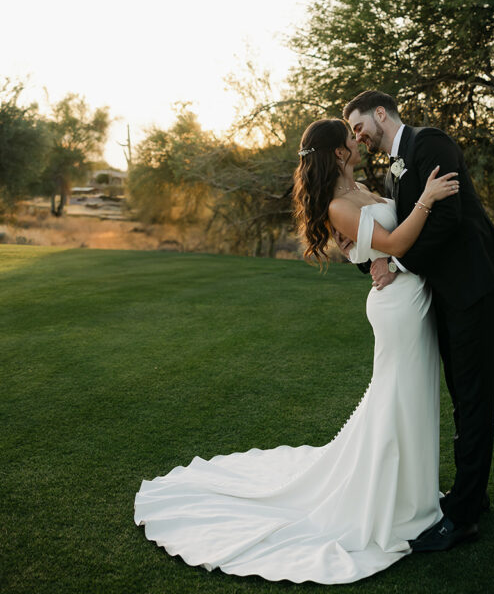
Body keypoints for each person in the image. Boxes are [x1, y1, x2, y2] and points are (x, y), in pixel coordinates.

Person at [134, 117, 459, 584]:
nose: (359, 141)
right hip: (396, 308)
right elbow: (395, 240)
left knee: (411, 396)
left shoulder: (361, 188)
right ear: (340, 153)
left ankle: (413, 493)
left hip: (410, 295)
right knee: (398, 397)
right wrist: (425, 200)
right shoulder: (338, 206)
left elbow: (384, 242)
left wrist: (381, 251)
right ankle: (397, 502)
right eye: (351, 137)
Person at [344, 91, 494, 552]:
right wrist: (370, 258)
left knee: (473, 394)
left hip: (473, 282)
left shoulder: (430, 143)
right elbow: (401, 230)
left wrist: (396, 264)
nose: (358, 137)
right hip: (444, 289)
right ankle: (470, 495)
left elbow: (447, 220)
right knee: (462, 392)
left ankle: (463, 517)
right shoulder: (393, 168)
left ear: (381, 114)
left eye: (360, 126)